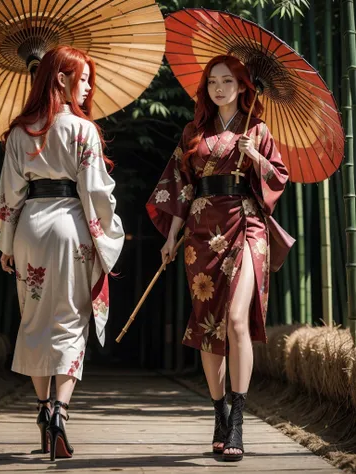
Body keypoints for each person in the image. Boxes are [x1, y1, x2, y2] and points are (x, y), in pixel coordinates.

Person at [146, 55, 294, 462]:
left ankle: (239, 420)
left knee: (234, 320)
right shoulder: (193, 131)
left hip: (247, 223)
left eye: (228, 81)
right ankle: (218, 412)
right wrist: (171, 238)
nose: (219, 87)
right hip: (200, 231)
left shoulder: (258, 130)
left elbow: (279, 177)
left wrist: (257, 156)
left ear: (244, 86)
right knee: (209, 324)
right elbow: (178, 185)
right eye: (213, 81)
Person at [0, 45, 124, 461]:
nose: (86, 88)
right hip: (71, 227)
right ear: (61, 79)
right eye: (81, 78)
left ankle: (42, 409)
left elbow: (10, 195)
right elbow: (96, 192)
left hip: (30, 224)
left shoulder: (19, 132)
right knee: (69, 321)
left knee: (33, 320)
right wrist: (108, 237)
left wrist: (7, 243)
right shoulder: (83, 131)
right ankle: (61, 411)